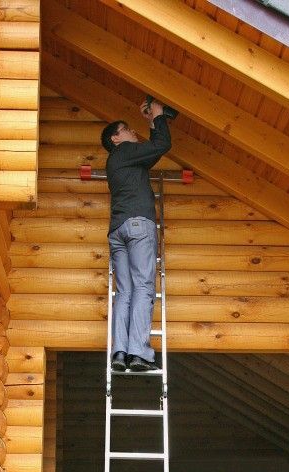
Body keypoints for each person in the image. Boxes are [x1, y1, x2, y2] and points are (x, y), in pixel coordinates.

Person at [99, 98, 172, 373]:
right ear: (116, 138)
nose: (132, 132)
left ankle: (120, 351)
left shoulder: (118, 160)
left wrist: (152, 122)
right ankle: (138, 352)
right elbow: (161, 145)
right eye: (127, 129)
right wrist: (160, 115)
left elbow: (151, 153)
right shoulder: (126, 150)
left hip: (118, 231)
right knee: (143, 287)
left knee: (126, 292)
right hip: (138, 226)